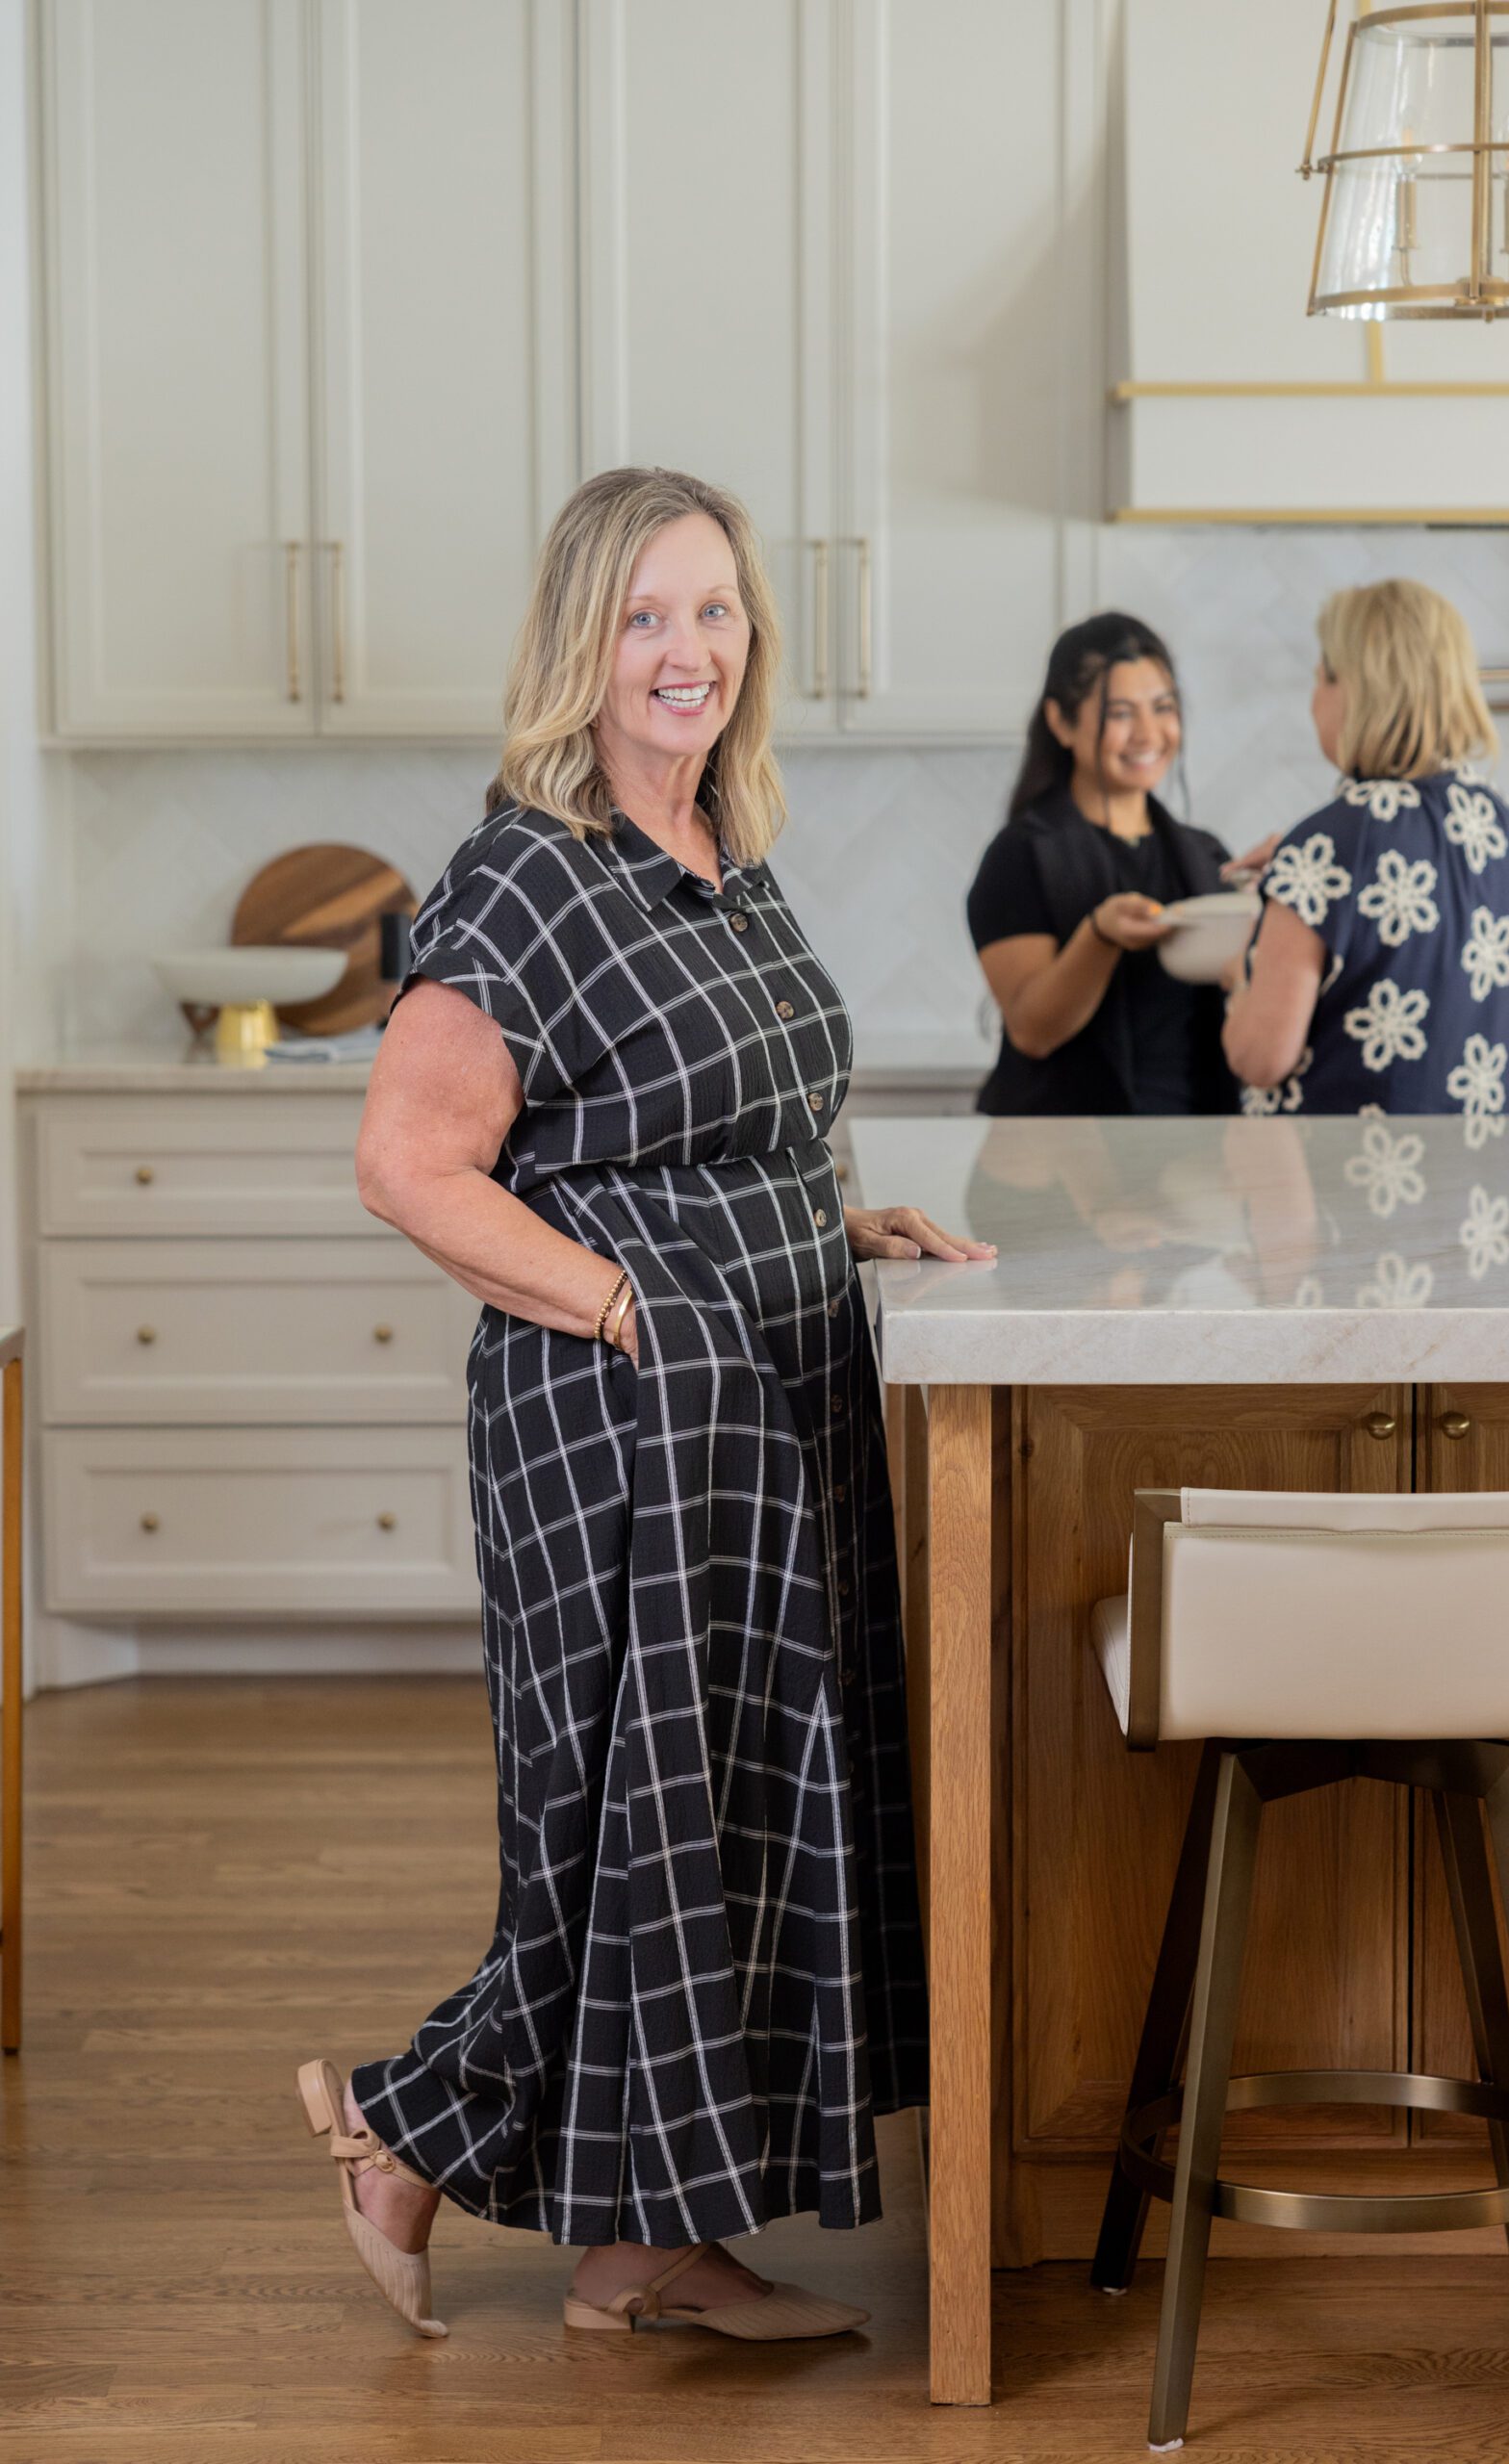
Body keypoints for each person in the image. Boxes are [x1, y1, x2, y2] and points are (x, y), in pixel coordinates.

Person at [298, 466, 992, 2346]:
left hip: (761, 1397)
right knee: (628, 1830)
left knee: (729, 1824)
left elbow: (674, 1117)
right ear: (580, 648)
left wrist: (823, 1213)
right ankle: (402, 2128)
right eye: (643, 617)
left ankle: (640, 2243)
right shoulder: (527, 869)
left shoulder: (715, 840)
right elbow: (405, 1160)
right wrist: (631, 1305)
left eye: (712, 609)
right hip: (618, 1422)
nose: (686, 650)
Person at [1223, 579, 1509, 1139]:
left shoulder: (1329, 842)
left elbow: (1261, 1058)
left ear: (1353, 691)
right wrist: (1290, 881)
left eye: (1320, 679)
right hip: (1472, 1191)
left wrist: (1237, 966)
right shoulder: (1498, 825)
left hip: (1345, 1198)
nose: (1314, 700)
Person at [965, 612, 1238, 1116]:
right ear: (1061, 722)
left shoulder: (1206, 856)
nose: (1148, 733)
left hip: (1194, 1155)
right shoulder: (1019, 856)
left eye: (1163, 707)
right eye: (1120, 713)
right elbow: (1033, 1031)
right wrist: (1100, 936)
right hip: (1054, 1156)